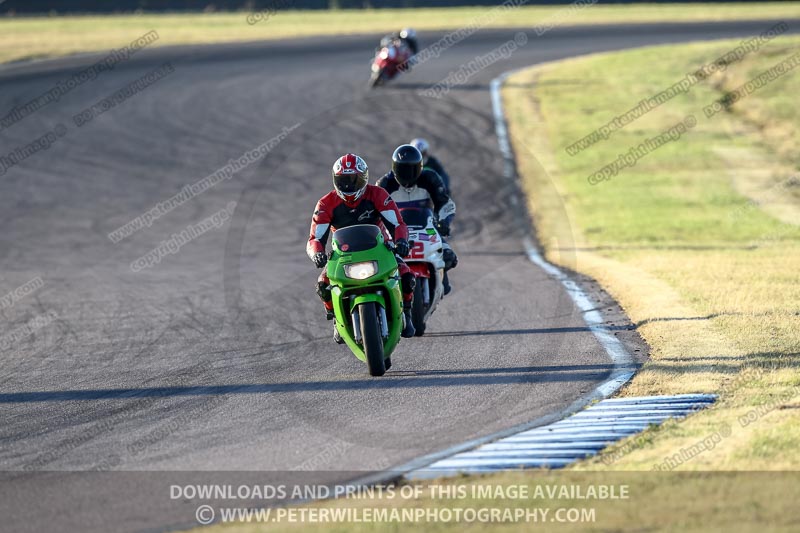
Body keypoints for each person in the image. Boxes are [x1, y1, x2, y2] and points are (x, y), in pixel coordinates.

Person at [307, 153, 416, 342]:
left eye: (354, 180)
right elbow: (314, 238)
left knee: (407, 275)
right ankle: (335, 319)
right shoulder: (325, 204)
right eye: (343, 180)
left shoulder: (378, 194)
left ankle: (406, 312)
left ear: (364, 178)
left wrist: (402, 242)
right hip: (342, 255)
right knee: (322, 285)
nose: (349, 186)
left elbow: (398, 224)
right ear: (335, 180)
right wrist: (317, 254)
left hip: (379, 248)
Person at [376, 144, 458, 295]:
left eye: (412, 169)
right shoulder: (384, 184)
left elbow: (445, 203)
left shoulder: (430, 178)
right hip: (395, 232)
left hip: (426, 227)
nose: (407, 175)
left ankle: (440, 280)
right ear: (394, 168)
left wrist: (443, 222)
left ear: (420, 167)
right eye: (403, 170)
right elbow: (375, 213)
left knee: (449, 257)